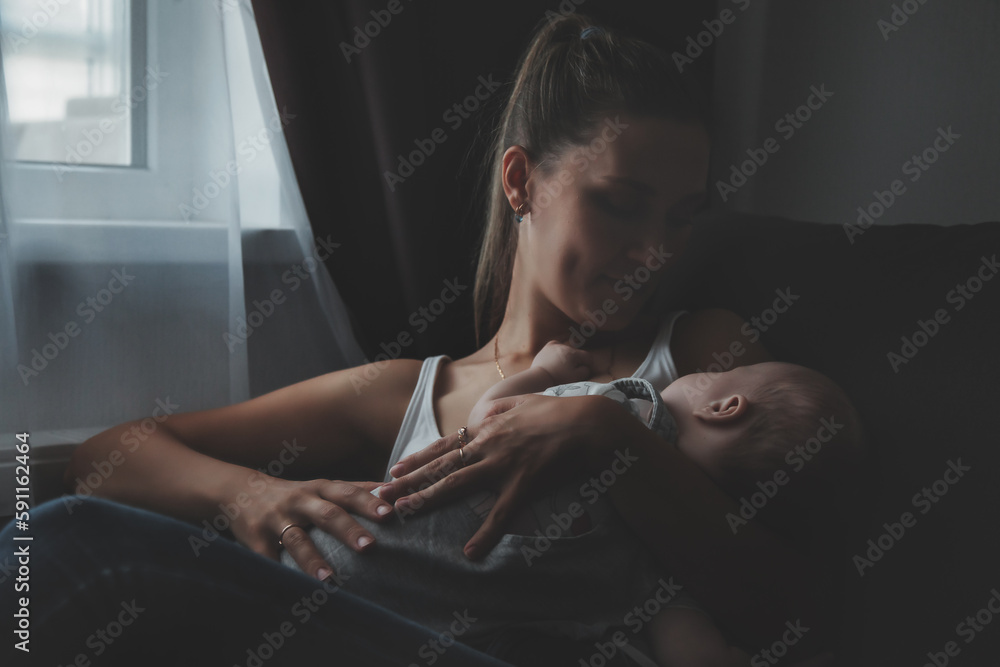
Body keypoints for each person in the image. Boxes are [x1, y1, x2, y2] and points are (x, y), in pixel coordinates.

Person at [14, 12, 841, 665]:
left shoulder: (701, 354)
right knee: (60, 537)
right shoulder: (410, 393)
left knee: (74, 550)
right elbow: (107, 456)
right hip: (362, 636)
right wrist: (248, 495)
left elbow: (796, 605)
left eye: (681, 217)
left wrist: (609, 434)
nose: (656, 251)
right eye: (622, 203)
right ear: (523, 182)